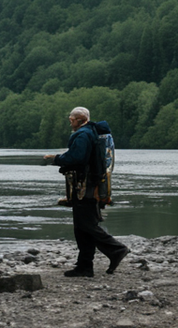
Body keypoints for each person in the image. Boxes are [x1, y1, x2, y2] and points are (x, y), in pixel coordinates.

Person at [43, 106, 129, 277]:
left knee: (86, 225)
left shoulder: (83, 135)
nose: (70, 123)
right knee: (81, 227)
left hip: (85, 187)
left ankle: (117, 250)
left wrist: (56, 159)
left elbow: (77, 157)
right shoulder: (91, 133)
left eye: (72, 120)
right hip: (91, 185)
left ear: (79, 119)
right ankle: (85, 266)